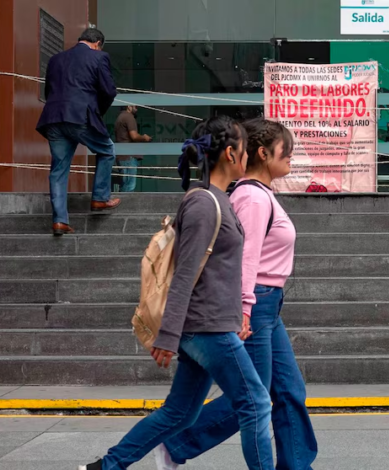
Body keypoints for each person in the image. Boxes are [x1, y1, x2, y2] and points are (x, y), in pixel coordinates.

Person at [80, 116, 275, 470]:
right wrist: (168, 336)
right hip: (205, 328)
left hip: (211, 324)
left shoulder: (218, 199)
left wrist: (236, 317)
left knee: (180, 414)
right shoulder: (203, 202)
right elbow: (185, 274)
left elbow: (218, 272)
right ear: (231, 154)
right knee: (256, 403)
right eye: (245, 151)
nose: (247, 158)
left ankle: (105, 467)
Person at [154, 118, 318, 470]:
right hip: (255, 305)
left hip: (268, 306)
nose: (290, 156)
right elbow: (246, 258)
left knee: (288, 392)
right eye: (284, 149)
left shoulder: (260, 195)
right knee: (252, 398)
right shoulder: (253, 198)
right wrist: (244, 309)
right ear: (262, 153)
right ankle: (176, 443)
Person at [36, 28, 121, 236]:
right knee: (107, 150)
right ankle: (100, 198)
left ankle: (59, 221)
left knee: (58, 169)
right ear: (98, 43)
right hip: (80, 116)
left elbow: (49, 90)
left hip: (54, 117)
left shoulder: (56, 59)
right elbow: (109, 91)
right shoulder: (100, 57)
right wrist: (96, 111)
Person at [114, 106, 152, 192]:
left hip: (123, 156)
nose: (137, 107)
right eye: (135, 105)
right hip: (128, 157)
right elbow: (134, 136)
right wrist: (144, 137)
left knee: (125, 185)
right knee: (129, 187)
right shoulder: (128, 117)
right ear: (129, 106)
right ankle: (125, 205)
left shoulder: (120, 117)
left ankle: (124, 204)